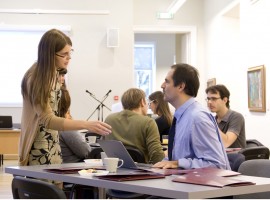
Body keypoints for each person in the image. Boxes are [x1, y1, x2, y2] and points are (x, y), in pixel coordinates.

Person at [19, 29, 111, 186]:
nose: (69, 58)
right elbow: (48, 120)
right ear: (49, 54)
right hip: (40, 149)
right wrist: (86, 124)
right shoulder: (36, 77)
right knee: (47, 193)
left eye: (70, 53)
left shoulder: (53, 74)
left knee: (57, 191)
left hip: (52, 143)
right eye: (64, 54)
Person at [153, 63, 230, 170]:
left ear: (180, 86)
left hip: (202, 186)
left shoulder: (198, 118)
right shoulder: (181, 116)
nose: (162, 85)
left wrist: (177, 163)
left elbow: (216, 164)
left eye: (167, 81)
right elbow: (177, 157)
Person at [104, 88, 164, 164]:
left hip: (114, 169)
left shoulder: (109, 119)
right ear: (142, 102)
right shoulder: (148, 122)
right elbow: (157, 156)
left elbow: (104, 145)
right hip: (141, 172)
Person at [205, 84, 246, 148]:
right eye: (208, 99)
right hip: (218, 156)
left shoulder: (237, 117)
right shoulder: (213, 119)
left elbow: (226, 143)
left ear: (225, 100)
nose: (209, 102)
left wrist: (211, 124)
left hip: (234, 157)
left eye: (214, 99)